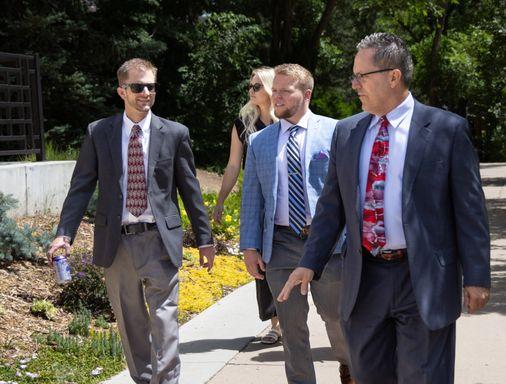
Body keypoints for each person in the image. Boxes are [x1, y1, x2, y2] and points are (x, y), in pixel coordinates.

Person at [278, 33, 491, 384]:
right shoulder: (348, 132)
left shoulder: (446, 130)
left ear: (393, 76)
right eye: (354, 76)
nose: (354, 85)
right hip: (365, 279)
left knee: (423, 377)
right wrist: (309, 263)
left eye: (362, 76)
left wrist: (478, 276)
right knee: (371, 375)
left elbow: (469, 210)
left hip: (422, 277)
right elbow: (333, 207)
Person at [47, 58, 215, 384]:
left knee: (165, 324)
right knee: (131, 323)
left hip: (159, 240)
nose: (146, 93)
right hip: (117, 243)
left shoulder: (175, 133)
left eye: (152, 86)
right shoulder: (99, 133)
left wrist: (205, 238)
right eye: (138, 87)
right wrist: (64, 234)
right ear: (121, 90)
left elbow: (190, 190)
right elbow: (81, 186)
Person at [241, 63, 353, 384]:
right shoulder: (260, 142)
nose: (275, 96)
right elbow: (253, 198)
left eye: (284, 91)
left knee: (335, 319)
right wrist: (250, 246)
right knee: (292, 330)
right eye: (274, 90)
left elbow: (349, 192)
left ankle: (350, 369)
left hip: (328, 245)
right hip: (280, 245)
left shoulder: (335, 132)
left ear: (306, 94)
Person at [212, 67, 281, 344]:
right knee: (261, 262)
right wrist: (220, 200)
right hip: (258, 203)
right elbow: (232, 165)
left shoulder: (286, 120)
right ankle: (277, 324)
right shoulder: (243, 123)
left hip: (288, 203)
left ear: (270, 88)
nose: (251, 92)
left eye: (256, 87)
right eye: (250, 87)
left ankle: (292, 318)